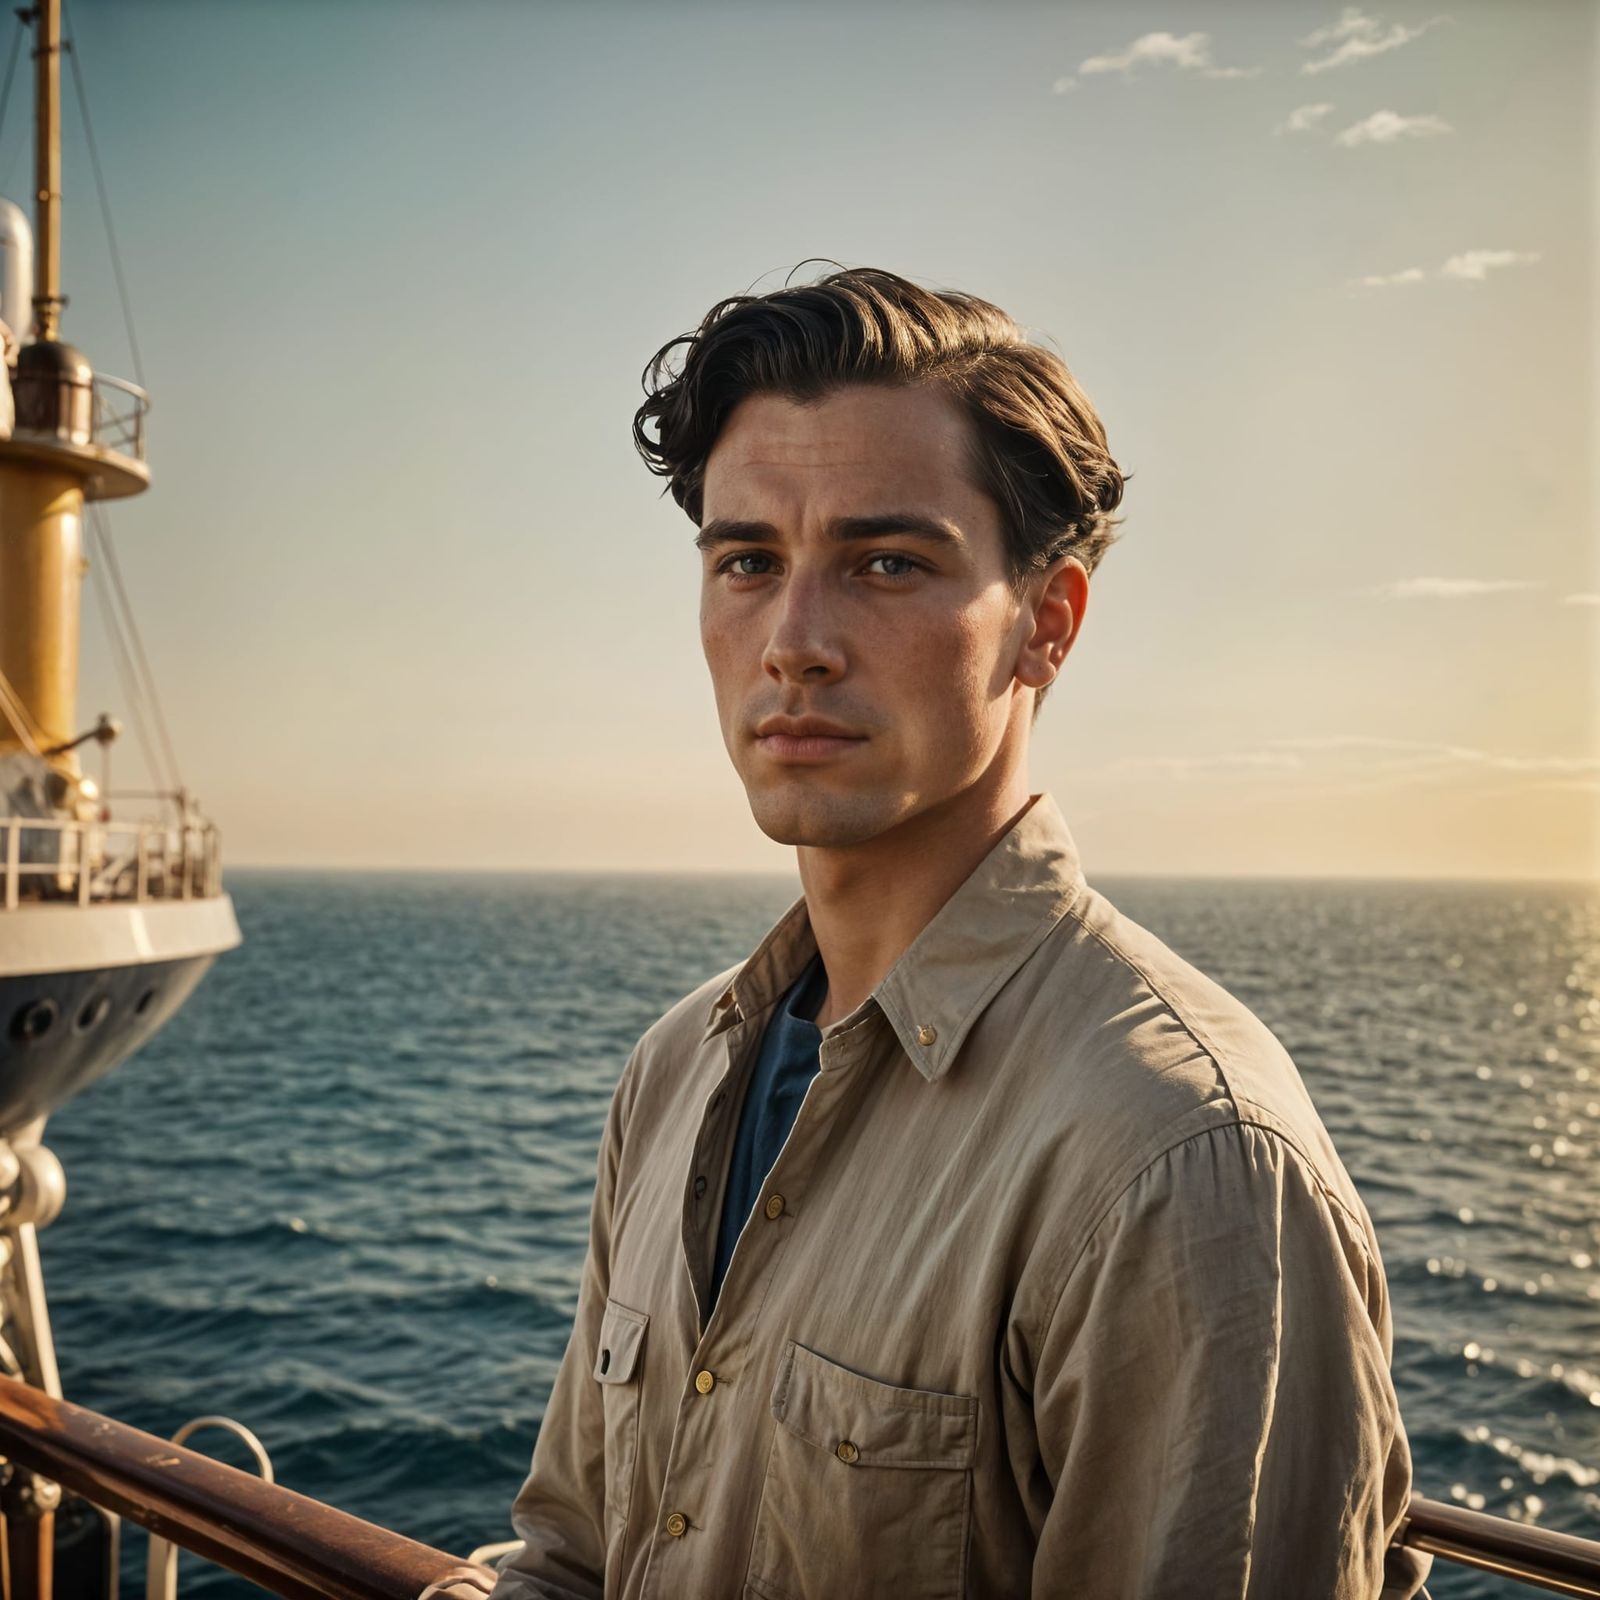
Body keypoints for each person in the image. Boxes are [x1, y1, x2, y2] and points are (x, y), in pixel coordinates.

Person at [421, 267, 1432, 1600]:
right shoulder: (679, 1073)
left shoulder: (1183, 1160)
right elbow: (571, 1553)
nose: (794, 641)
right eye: (747, 562)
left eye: (886, 562)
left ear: (1046, 626)